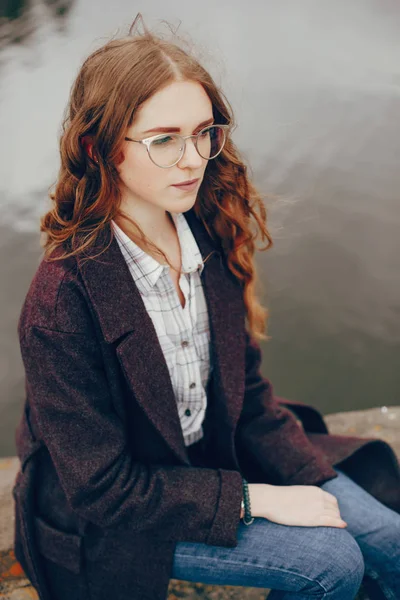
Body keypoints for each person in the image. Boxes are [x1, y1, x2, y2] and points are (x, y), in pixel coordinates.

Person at [13, 14, 400, 600]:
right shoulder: (60, 305)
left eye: (203, 132)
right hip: (122, 517)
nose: (193, 159)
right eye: (163, 139)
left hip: (213, 458)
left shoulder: (209, 232)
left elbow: (247, 394)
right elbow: (103, 490)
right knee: (328, 562)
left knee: (389, 539)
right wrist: (258, 499)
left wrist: (310, 479)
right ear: (99, 149)